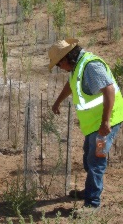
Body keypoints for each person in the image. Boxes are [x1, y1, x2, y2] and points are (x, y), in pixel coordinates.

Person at [48, 38, 123, 217]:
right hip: (94, 124)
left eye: (58, 65)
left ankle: (92, 203)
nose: (60, 68)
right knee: (88, 156)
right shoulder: (77, 67)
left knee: (96, 160)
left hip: (107, 122)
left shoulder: (91, 66)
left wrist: (106, 122)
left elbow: (109, 90)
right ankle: (90, 189)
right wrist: (58, 100)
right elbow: (71, 85)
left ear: (66, 59)